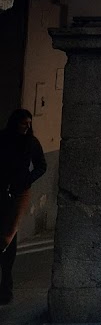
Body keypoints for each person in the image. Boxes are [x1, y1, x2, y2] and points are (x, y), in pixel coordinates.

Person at [0, 109, 47, 304]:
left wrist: (28, 179)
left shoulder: (31, 142)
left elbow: (41, 165)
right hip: (3, 188)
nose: (26, 127)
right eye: (23, 123)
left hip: (18, 192)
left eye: (29, 124)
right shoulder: (3, 139)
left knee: (10, 235)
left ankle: (6, 287)